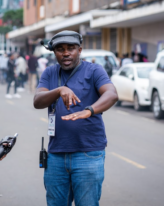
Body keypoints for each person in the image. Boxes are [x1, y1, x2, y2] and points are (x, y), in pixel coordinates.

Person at [33, 30, 118, 206]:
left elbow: (111, 94)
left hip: (88, 154)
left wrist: (90, 110)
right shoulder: (49, 73)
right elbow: (37, 101)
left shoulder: (94, 70)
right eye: (60, 49)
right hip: (56, 154)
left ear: (80, 50)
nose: (65, 53)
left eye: (70, 48)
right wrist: (58, 90)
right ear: (54, 52)